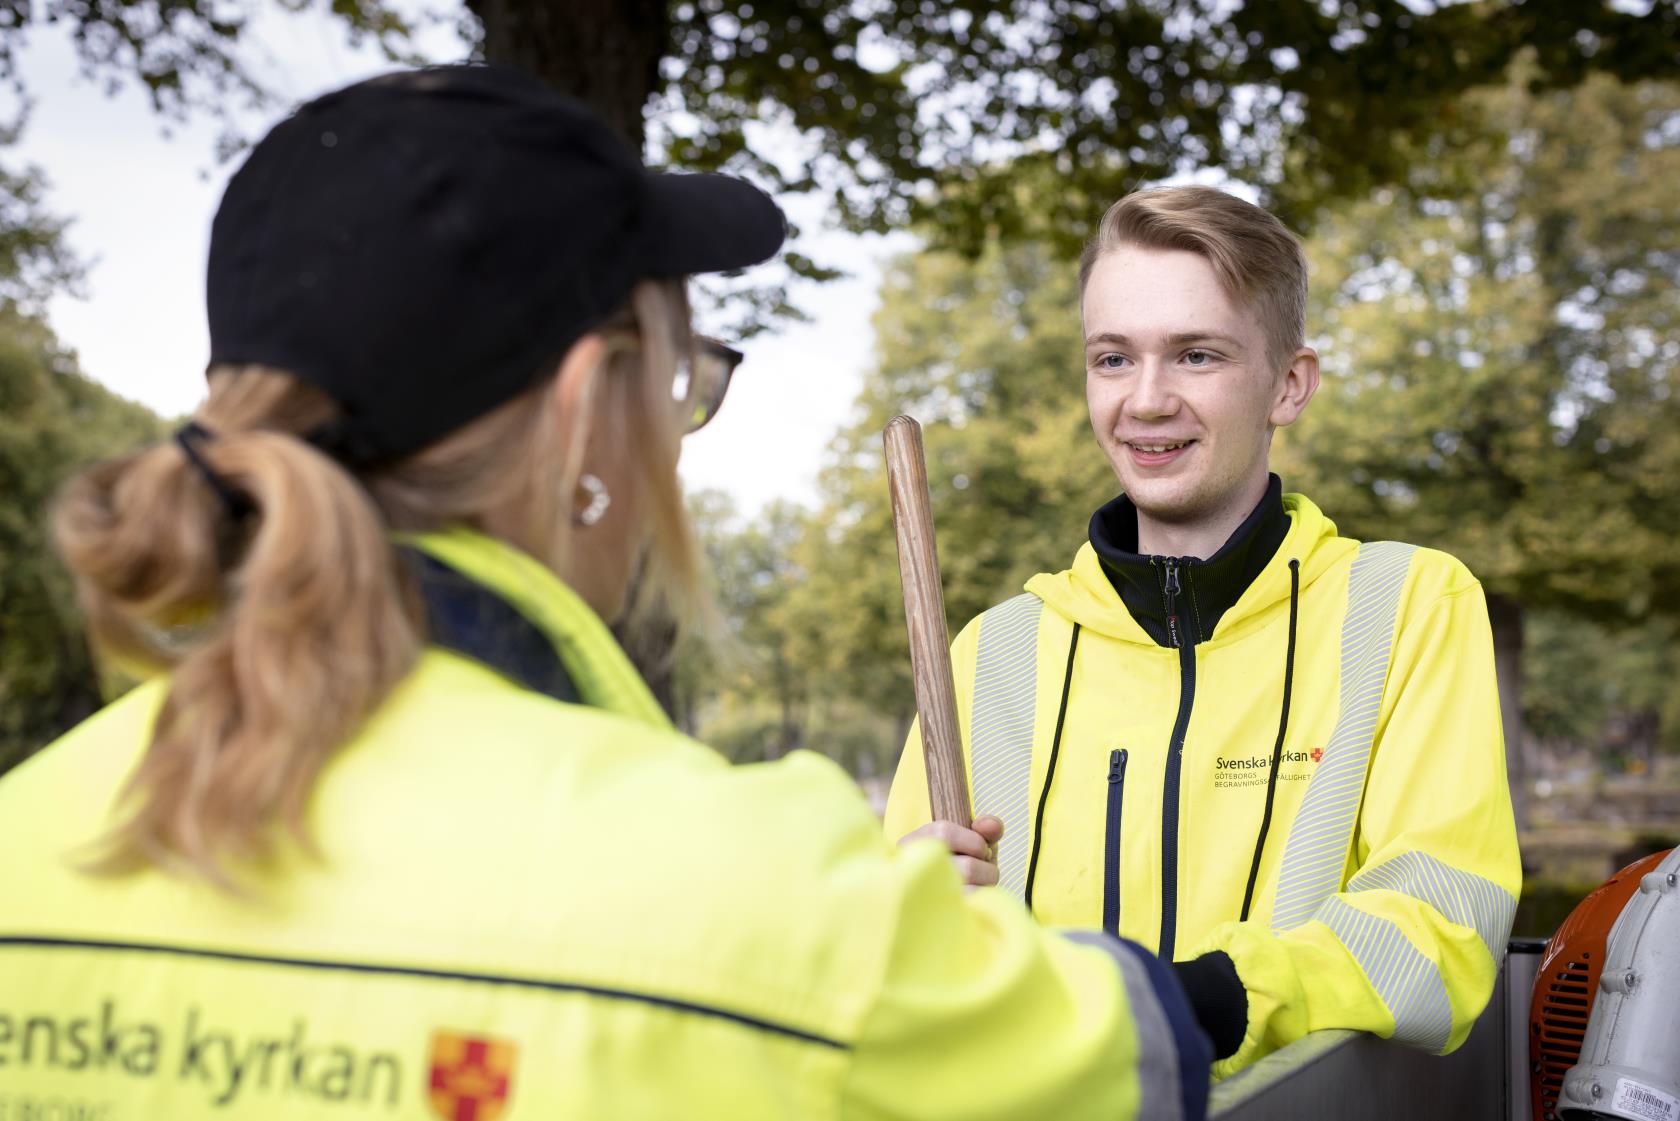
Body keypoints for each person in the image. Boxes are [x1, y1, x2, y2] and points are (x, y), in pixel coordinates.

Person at [0, 67, 1210, 1119]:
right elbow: (1137, 1063)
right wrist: (947, 944)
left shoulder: (27, 832)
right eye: (680, 382)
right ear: (582, 414)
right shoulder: (771, 893)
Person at [885, 185, 1522, 1076]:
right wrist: (904, 917)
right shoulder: (990, 654)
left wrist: (1198, 1001)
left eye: (1195, 355)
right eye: (1113, 359)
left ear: (1289, 384)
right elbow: (906, 990)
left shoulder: (1409, 603)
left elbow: (1442, 930)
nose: (1146, 402)